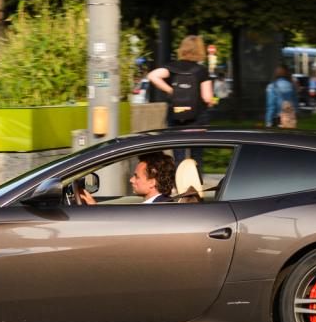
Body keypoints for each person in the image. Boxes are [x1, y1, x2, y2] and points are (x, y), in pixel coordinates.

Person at [147, 35, 214, 171]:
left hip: (176, 116)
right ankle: (195, 189)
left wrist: (171, 91)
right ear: (200, 50)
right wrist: (211, 103)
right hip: (197, 118)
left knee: (179, 156)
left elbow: (152, 75)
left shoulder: (172, 67)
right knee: (196, 156)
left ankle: (179, 188)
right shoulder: (201, 71)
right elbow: (207, 98)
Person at [78, 152, 175, 205]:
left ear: (152, 183)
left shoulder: (159, 209)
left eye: (137, 177)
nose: (131, 180)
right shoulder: (158, 206)